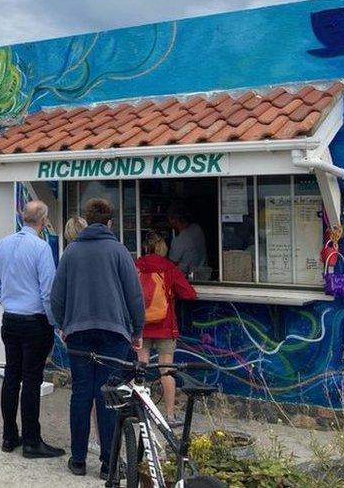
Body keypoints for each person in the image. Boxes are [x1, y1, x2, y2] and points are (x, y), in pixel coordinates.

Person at [51, 198, 144, 478]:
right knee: (108, 396)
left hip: (78, 332)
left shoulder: (71, 253)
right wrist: (137, 331)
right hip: (114, 333)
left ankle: (78, 460)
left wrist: (63, 324)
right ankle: (109, 463)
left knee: (81, 394)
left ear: (88, 221)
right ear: (110, 223)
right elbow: (134, 295)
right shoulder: (119, 251)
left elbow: (57, 296)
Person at [0, 200, 65, 459]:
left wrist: (10, 304)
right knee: (31, 380)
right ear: (43, 222)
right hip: (35, 321)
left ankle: (9, 436)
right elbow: (48, 292)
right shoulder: (41, 248)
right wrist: (55, 321)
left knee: (11, 376)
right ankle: (32, 441)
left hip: (10, 319)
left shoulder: (3, 244)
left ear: (24, 218)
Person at [135, 232, 197, 427]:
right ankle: (169, 416)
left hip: (141, 326)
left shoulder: (136, 266)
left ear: (145, 247)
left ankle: (140, 412)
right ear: (163, 248)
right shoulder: (169, 268)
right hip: (165, 327)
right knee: (166, 370)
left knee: (141, 369)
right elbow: (189, 294)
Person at [167, 203, 207, 276]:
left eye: (169, 218)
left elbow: (171, 264)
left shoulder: (179, 241)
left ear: (174, 219)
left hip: (186, 277)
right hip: (202, 274)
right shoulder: (197, 228)